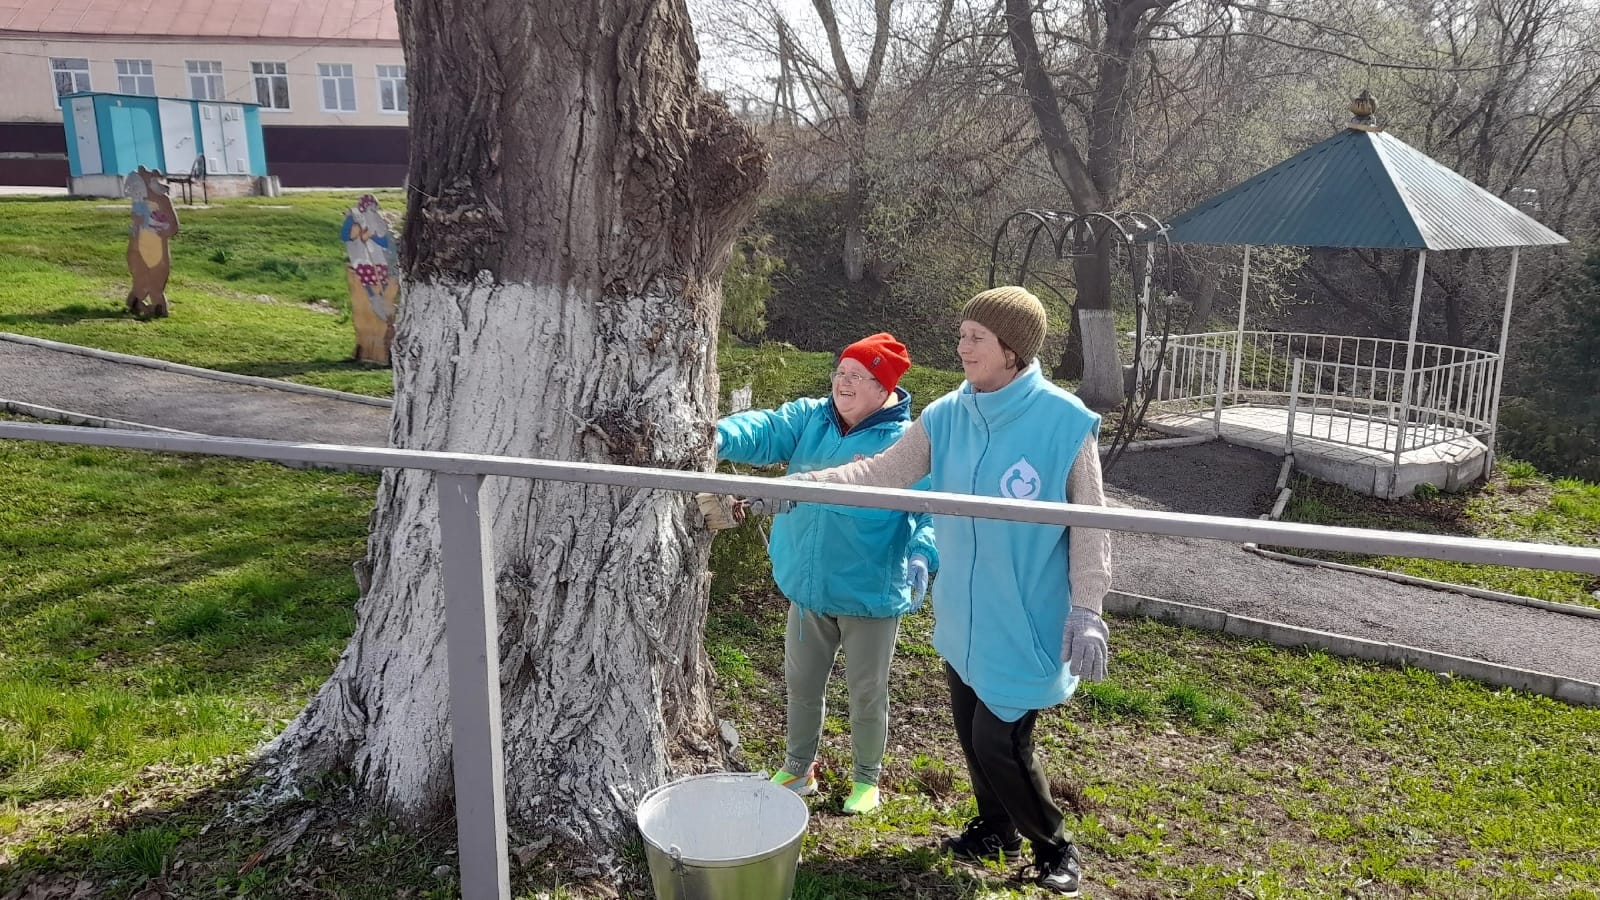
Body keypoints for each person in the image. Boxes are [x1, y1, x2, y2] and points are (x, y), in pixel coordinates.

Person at [792, 287, 1111, 895]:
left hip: (1027, 619)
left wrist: (1088, 608)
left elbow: (1092, 524)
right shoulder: (945, 416)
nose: (962, 346)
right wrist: (801, 486)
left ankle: (1055, 846)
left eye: (977, 338)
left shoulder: (1065, 423)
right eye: (962, 332)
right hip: (964, 617)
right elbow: (880, 472)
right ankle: (997, 829)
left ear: (1013, 351)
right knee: (972, 737)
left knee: (1001, 743)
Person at [711, 333, 938, 815]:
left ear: (885, 389)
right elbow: (765, 429)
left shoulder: (906, 442)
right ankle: (798, 768)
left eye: (859, 376)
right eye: (841, 372)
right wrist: (716, 435)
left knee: (867, 691)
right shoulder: (811, 417)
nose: (844, 383)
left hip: (869, 594)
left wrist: (922, 556)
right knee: (802, 683)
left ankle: (866, 778)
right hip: (808, 587)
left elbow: (929, 513)